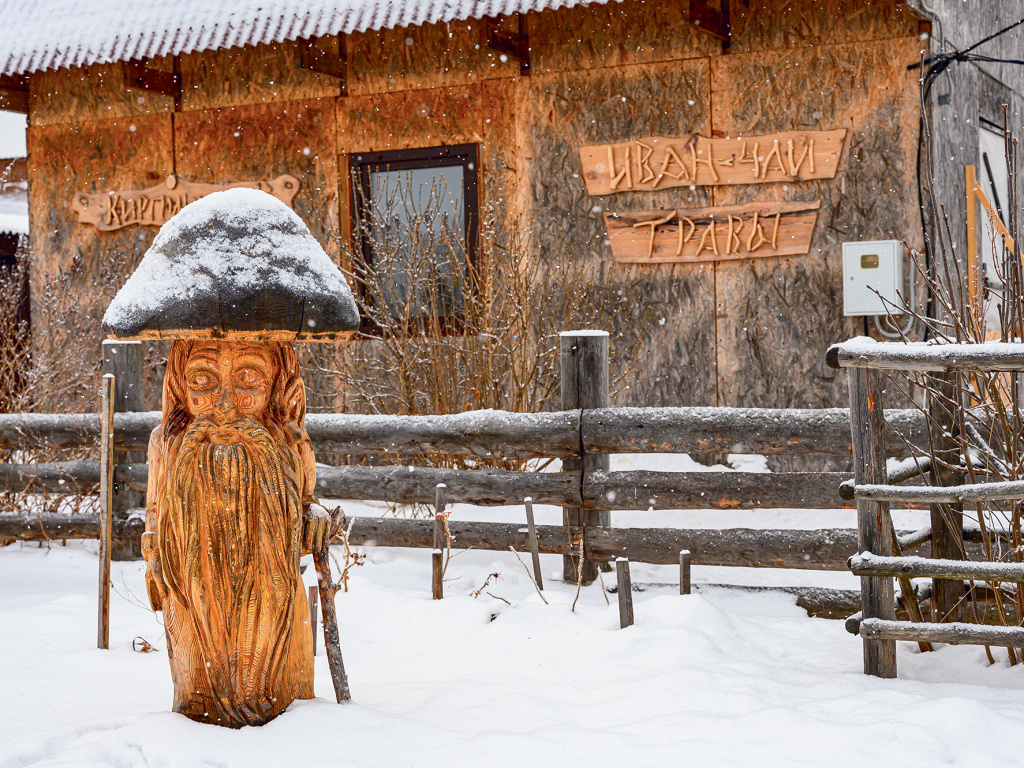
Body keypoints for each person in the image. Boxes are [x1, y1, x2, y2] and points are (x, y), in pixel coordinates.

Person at [141, 338, 330, 727]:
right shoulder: (168, 445)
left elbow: (306, 499)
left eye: (248, 378)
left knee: (275, 674)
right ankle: (198, 714)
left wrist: (312, 514)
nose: (224, 406)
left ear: (277, 389)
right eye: (204, 381)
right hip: (190, 592)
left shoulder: (289, 442)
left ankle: (273, 709)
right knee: (195, 691)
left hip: (270, 592)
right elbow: (156, 510)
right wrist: (154, 551)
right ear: (181, 388)